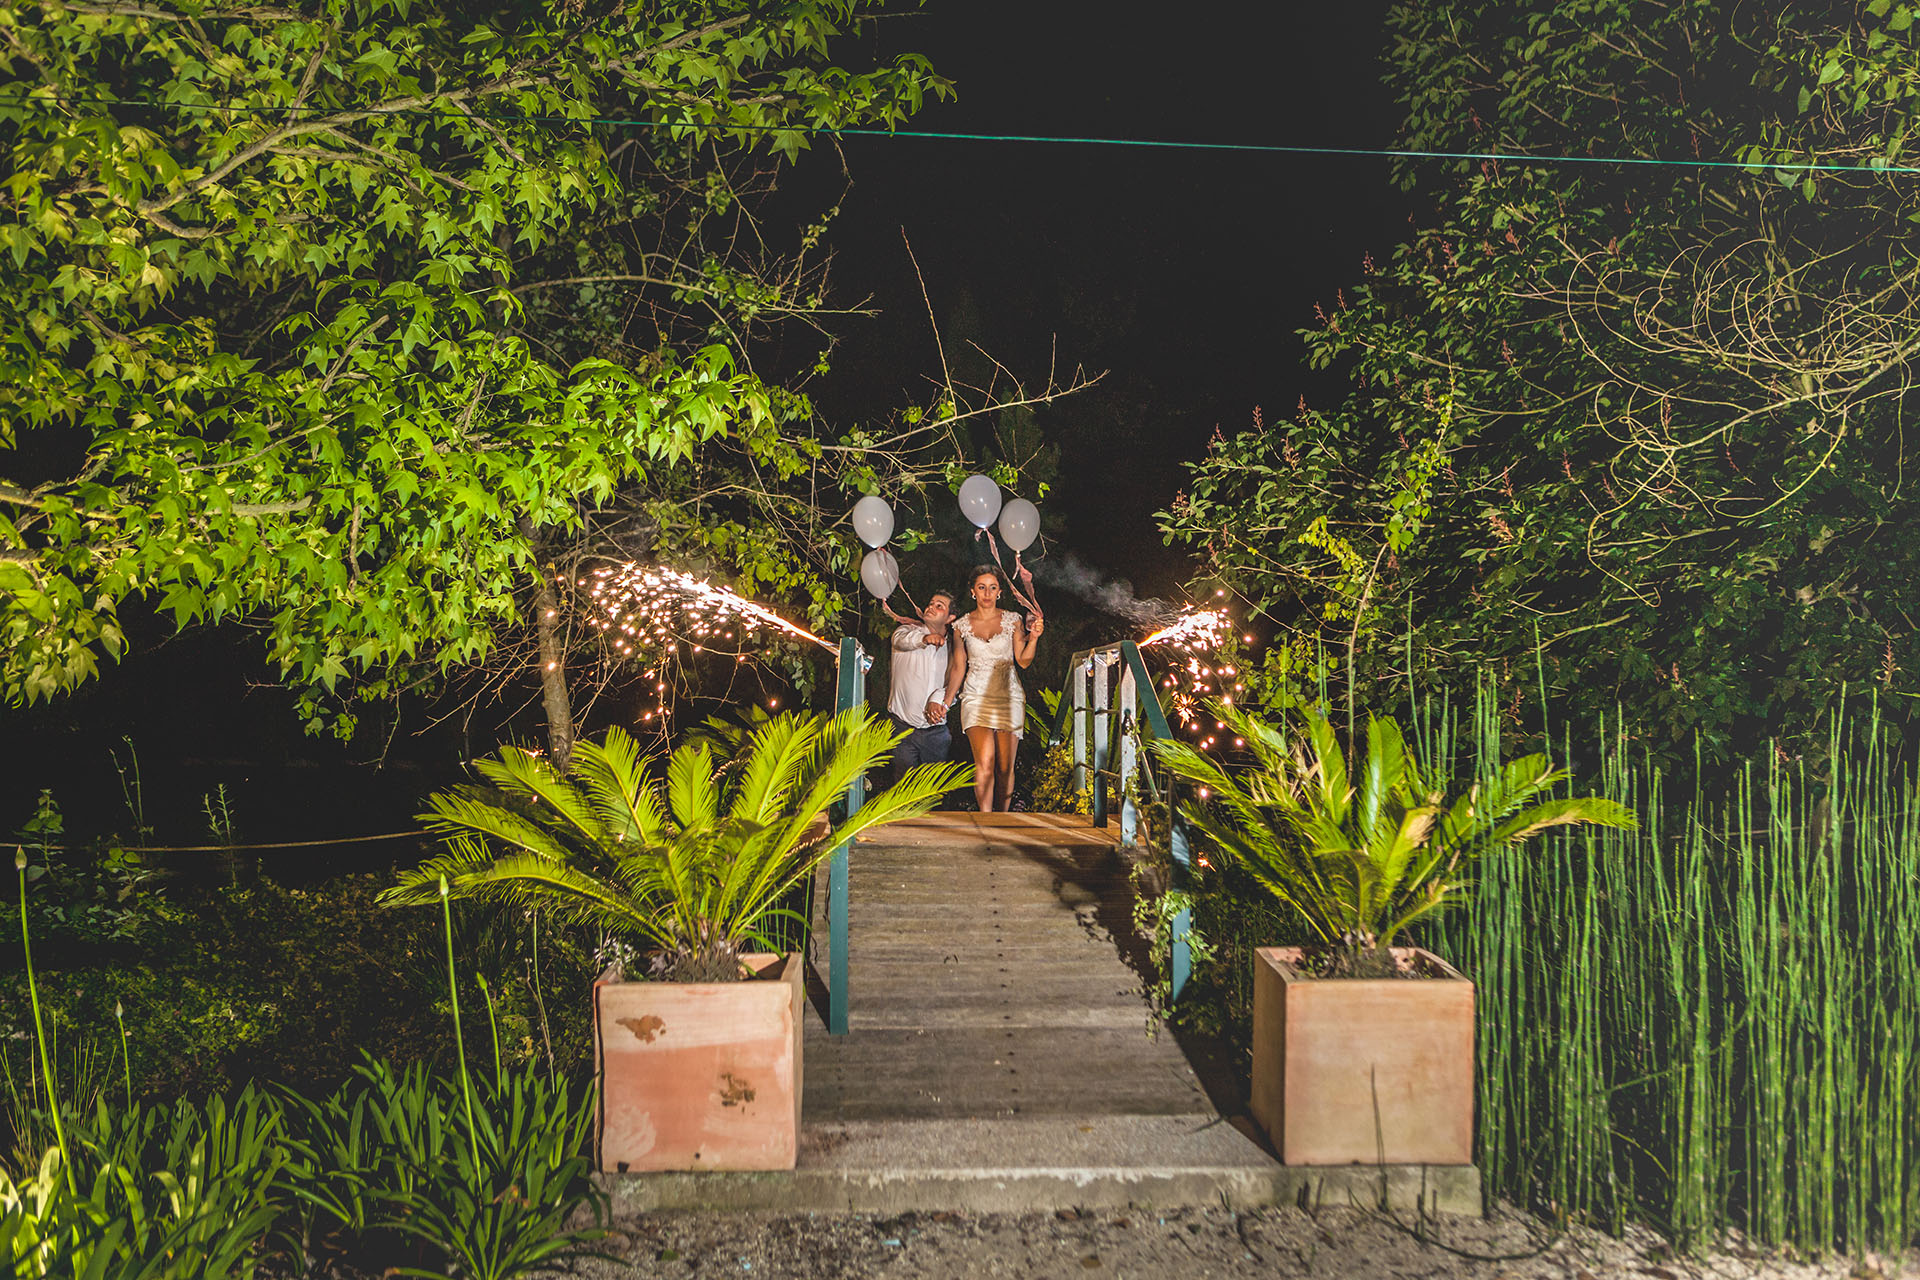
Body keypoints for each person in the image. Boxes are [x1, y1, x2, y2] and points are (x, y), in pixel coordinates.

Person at [932, 564, 1043, 812]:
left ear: (999, 591)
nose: (987, 593)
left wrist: (1033, 639)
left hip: (1008, 695)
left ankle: (1001, 819)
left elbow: (1023, 661)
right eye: (981, 587)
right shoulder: (960, 626)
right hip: (975, 695)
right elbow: (958, 668)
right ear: (973, 591)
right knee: (984, 762)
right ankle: (985, 819)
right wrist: (946, 702)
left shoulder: (1013, 620)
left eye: (993, 588)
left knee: (1004, 767)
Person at [885, 589, 957, 787]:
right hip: (902, 728)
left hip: (936, 733)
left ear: (950, 618)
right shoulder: (906, 631)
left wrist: (939, 700)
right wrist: (924, 639)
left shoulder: (953, 648)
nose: (931, 607)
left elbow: (955, 686)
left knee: (933, 791)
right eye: (931, 603)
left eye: (939, 606)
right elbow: (901, 641)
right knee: (903, 790)